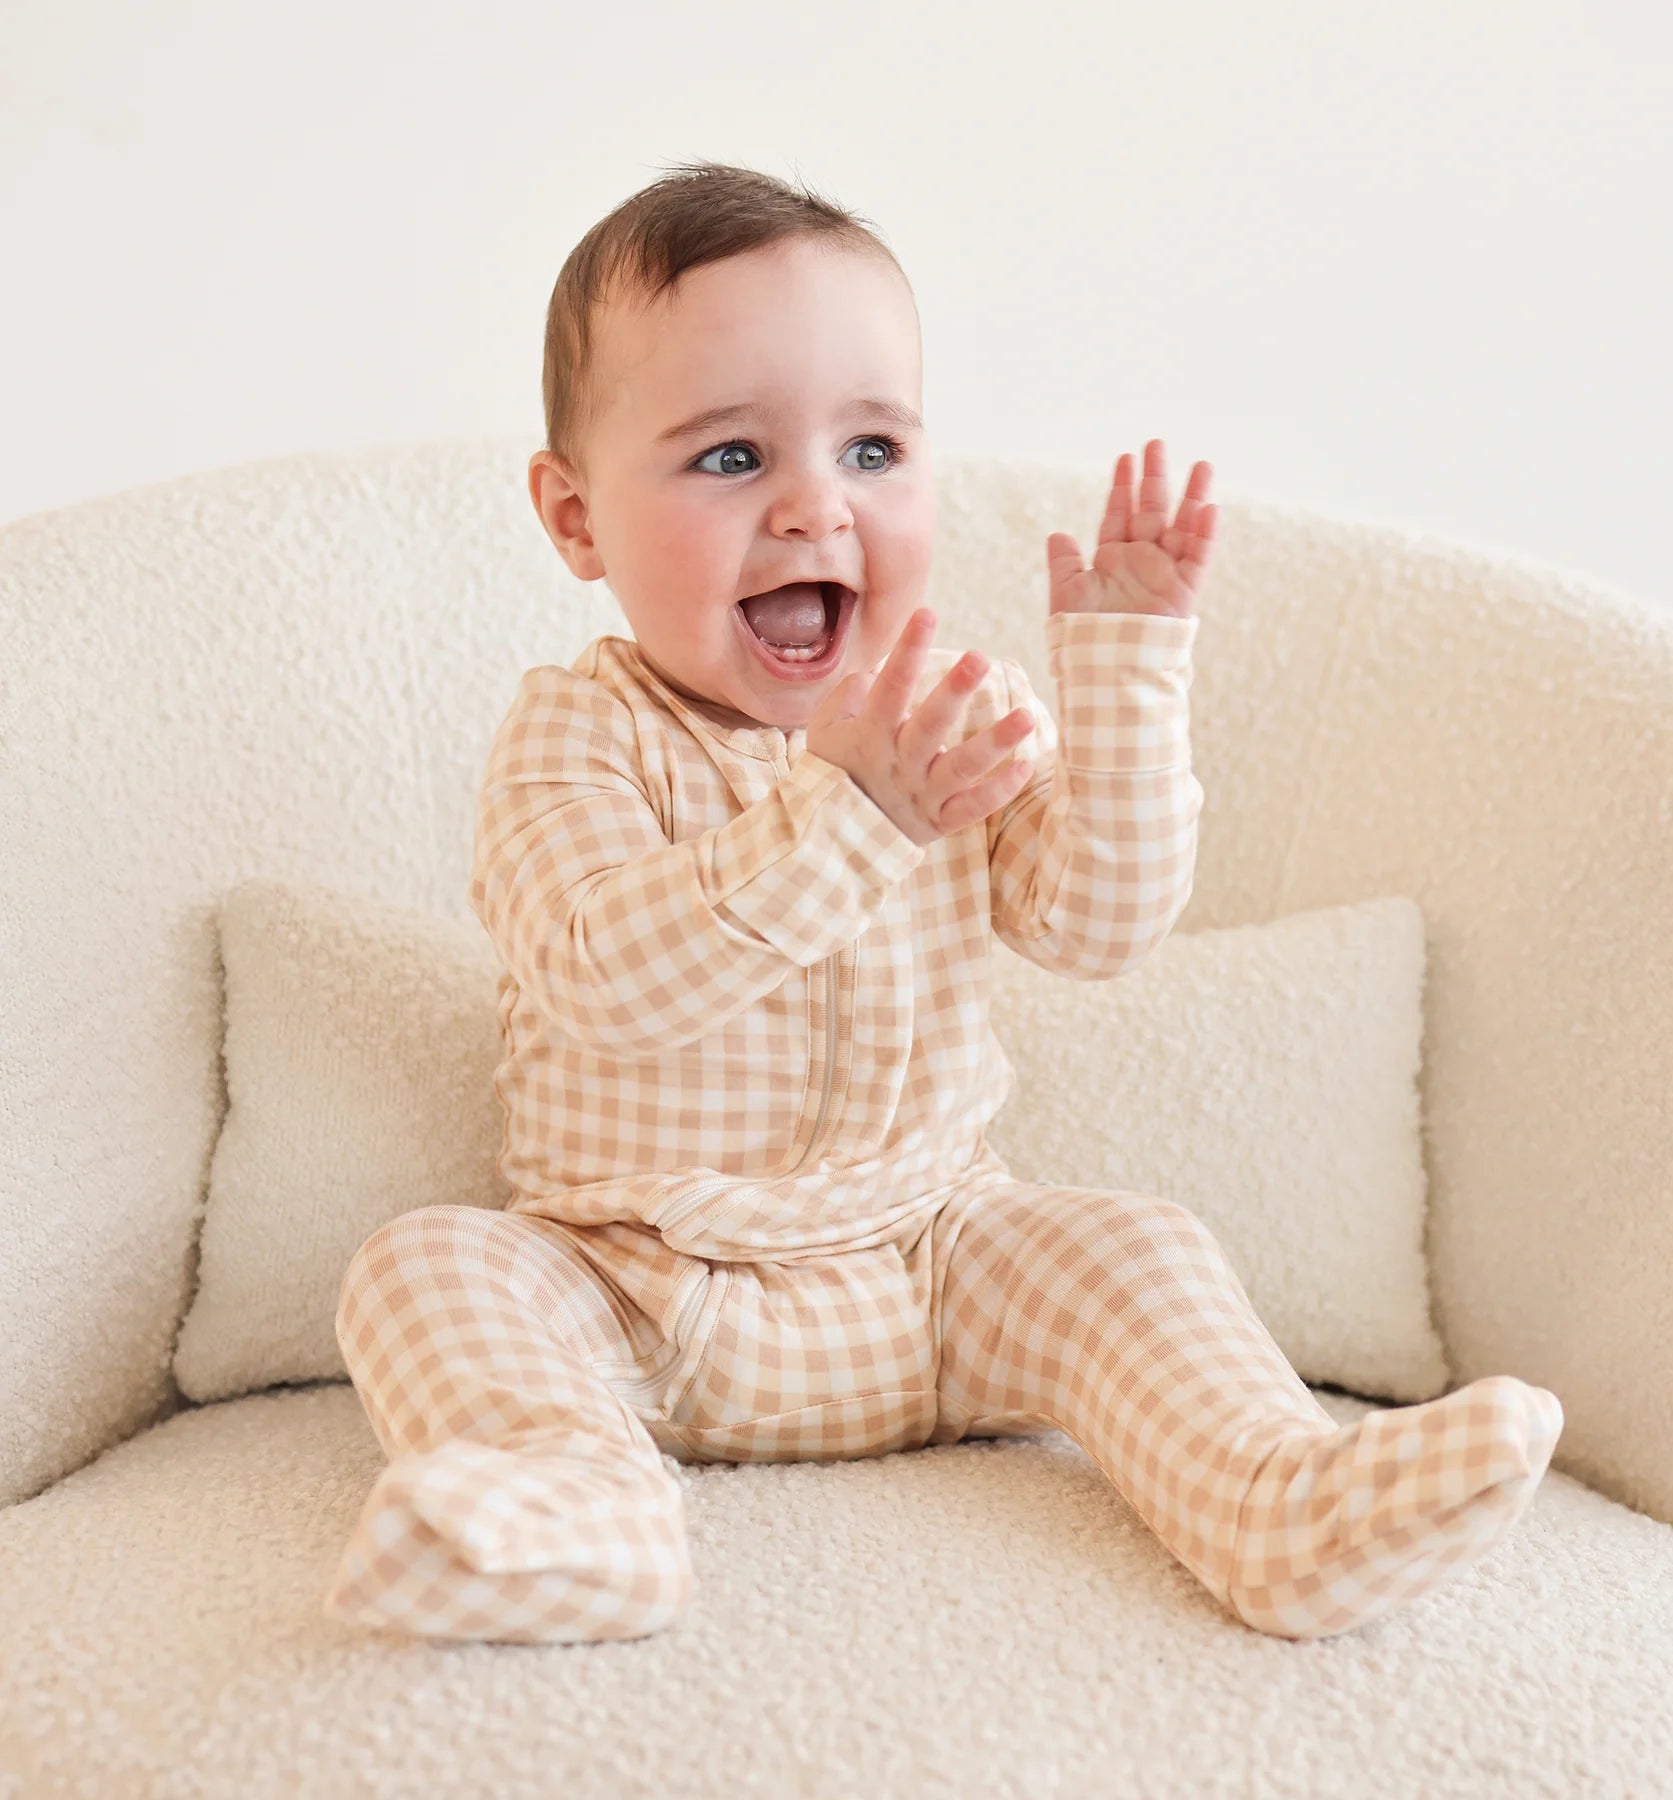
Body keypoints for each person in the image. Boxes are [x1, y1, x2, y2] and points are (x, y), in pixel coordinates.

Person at [324, 160, 1563, 1646]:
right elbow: (603, 977)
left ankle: (1279, 1503)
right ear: (576, 517)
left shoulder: (955, 711)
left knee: (1137, 1247)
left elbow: (1098, 924)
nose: (813, 508)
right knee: (425, 1268)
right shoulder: (576, 738)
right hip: (644, 1283)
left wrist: (1123, 677)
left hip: (933, 1267)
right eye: (730, 457)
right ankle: (578, 1510)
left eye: (872, 449)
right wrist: (852, 813)